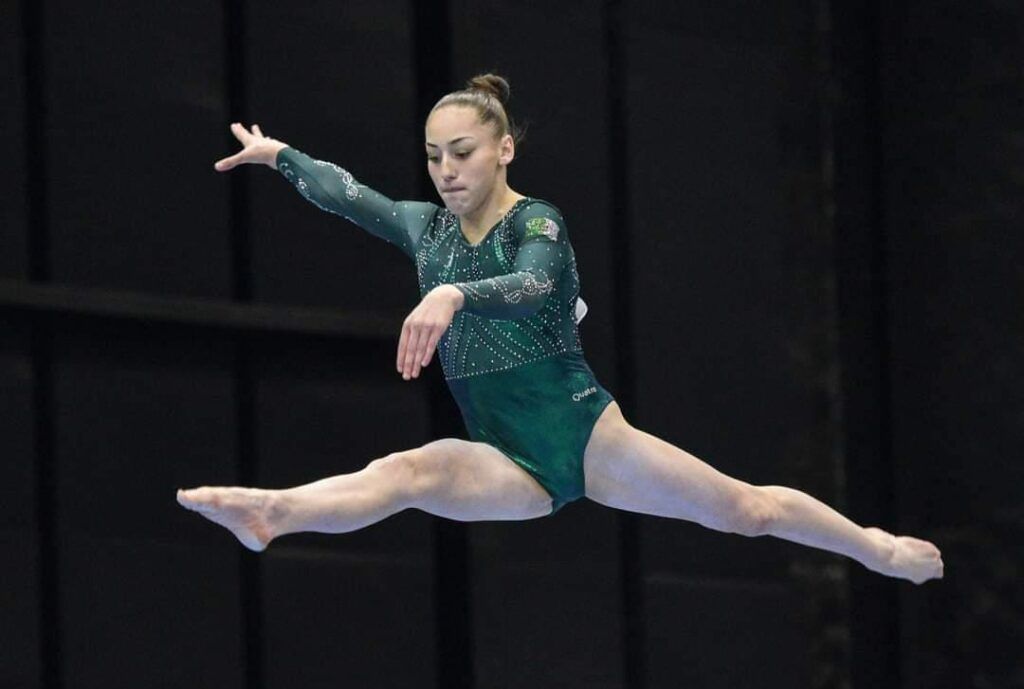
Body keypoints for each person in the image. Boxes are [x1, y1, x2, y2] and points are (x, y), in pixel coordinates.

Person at [177, 74, 943, 585]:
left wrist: (453, 294)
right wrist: (279, 156)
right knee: (408, 472)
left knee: (748, 511)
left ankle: (875, 548)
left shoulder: (536, 221)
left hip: (582, 435)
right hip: (505, 456)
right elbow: (349, 195)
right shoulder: (427, 230)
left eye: (463, 152)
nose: (446, 170)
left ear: (504, 149)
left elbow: (534, 287)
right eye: (434, 156)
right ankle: (274, 512)